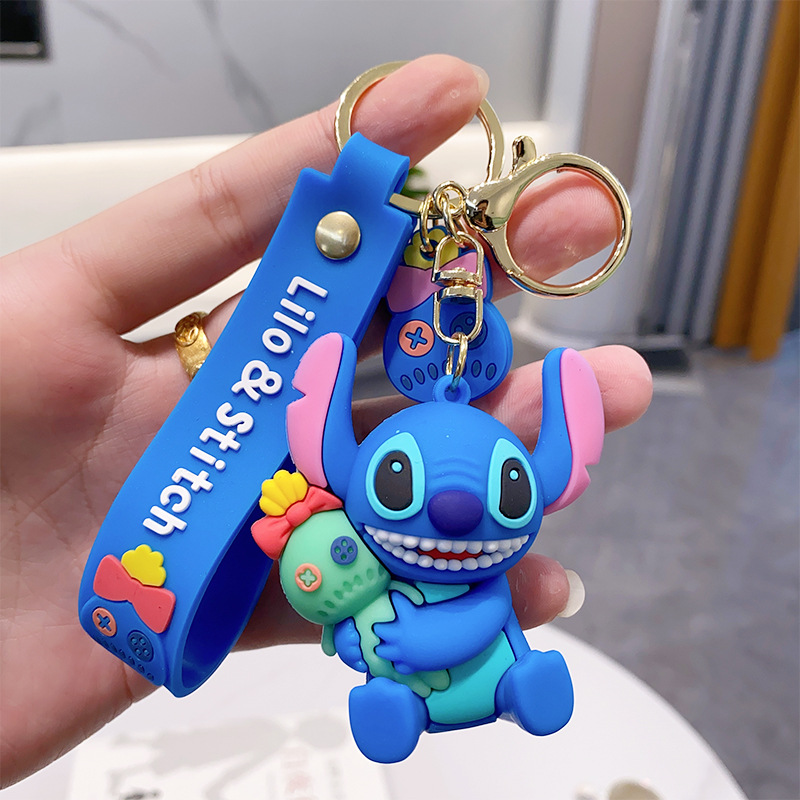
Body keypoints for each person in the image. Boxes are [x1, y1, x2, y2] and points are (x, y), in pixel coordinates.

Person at [0, 55, 652, 787]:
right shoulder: (375, 549)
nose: (455, 511)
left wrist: (414, 640)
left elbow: (480, 613)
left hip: (456, 657)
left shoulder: (466, 578)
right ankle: (407, 709)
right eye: (396, 480)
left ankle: (517, 688)